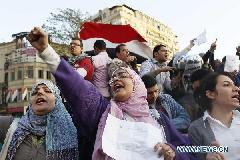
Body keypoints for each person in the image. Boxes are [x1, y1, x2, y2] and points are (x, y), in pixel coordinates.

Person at [27, 27, 198, 160]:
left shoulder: (158, 119)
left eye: (123, 75)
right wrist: (46, 51)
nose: (115, 79)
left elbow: (189, 149)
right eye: (112, 78)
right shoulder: (104, 113)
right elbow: (78, 87)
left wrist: (174, 153)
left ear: (137, 84)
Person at [0, 80, 78, 160]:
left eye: (47, 91)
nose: (39, 92)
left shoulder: (69, 133)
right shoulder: (11, 125)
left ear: (57, 100)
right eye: (34, 92)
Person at [188, 72, 240, 160]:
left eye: (235, 85)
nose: (236, 88)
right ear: (211, 94)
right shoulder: (196, 129)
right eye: (226, 85)